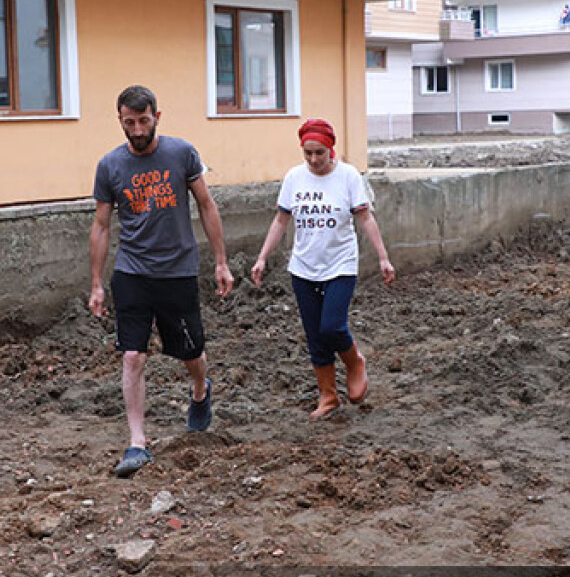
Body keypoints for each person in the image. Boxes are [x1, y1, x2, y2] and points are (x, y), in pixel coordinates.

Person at [89, 85, 234, 478]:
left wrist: (220, 262)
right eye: (129, 122)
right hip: (132, 272)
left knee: (190, 353)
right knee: (133, 355)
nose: (137, 129)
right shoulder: (110, 166)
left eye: (143, 120)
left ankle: (201, 391)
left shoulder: (181, 154)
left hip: (178, 271)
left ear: (157, 116)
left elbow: (206, 205)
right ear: (120, 121)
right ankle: (137, 443)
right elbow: (101, 226)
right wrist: (97, 284)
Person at [250, 119, 396, 420]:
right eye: (308, 153)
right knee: (315, 335)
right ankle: (328, 395)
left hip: (340, 264)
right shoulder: (294, 178)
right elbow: (281, 220)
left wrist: (383, 257)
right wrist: (262, 257)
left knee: (332, 326)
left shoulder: (348, 177)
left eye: (320, 153)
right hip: (303, 267)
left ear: (332, 149)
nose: (314, 160)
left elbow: (365, 219)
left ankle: (354, 361)